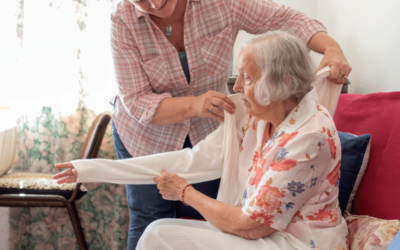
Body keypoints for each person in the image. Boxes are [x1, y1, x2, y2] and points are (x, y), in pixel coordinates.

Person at [54, 30, 348, 249]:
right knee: (158, 230)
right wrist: (89, 169)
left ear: (283, 82)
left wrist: (186, 193)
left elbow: (250, 226)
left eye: (247, 77)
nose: (236, 86)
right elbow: (188, 161)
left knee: (159, 236)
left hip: (297, 243)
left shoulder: (310, 137)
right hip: (268, 233)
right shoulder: (257, 117)